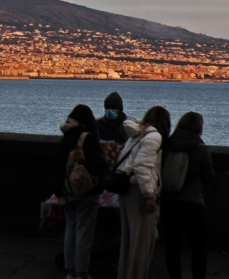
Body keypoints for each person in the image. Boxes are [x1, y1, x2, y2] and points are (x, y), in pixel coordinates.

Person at [116, 105, 170, 279]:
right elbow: (141, 165)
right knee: (141, 244)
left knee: (129, 242)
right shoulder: (154, 137)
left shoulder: (137, 135)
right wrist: (149, 195)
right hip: (138, 193)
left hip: (127, 191)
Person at [55, 104, 107, 279]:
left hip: (67, 191)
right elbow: (95, 165)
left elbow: (57, 167)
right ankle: (81, 272)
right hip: (86, 192)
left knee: (70, 230)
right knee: (84, 233)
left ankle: (70, 271)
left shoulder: (65, 138)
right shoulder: (88, 138)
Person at [162, 112, 215, 279]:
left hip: (169, 202)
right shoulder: (200, 147)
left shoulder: (168, 144)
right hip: (193, 203)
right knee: (198, 248)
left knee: (172, 247)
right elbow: (208, 177)